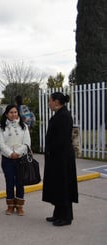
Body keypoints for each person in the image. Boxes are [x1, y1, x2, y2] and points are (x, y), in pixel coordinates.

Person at [43, 92, 78, 226]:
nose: (49, 103)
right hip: (57, 157)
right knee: (58, 185)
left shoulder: (64, 116)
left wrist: (52, 151)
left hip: (62, 158)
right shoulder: (60, 114)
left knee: (64, 185)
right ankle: (57, 214)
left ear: (56, 102)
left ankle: (66, 217)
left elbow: (61, 139)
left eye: (50, 101)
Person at [0, 104, 31, 216]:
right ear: (6, 114)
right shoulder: (1, 127)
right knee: (9, 183)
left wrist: (18, 153)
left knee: (20, 183)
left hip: (21, 159)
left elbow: (27, 143)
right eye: (11, 112)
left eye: (15, 112)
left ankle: (20, 206)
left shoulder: (24, 126)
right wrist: (10, 154)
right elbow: (0, 143)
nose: (13, 114)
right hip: (7, 159)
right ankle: (10, 206)